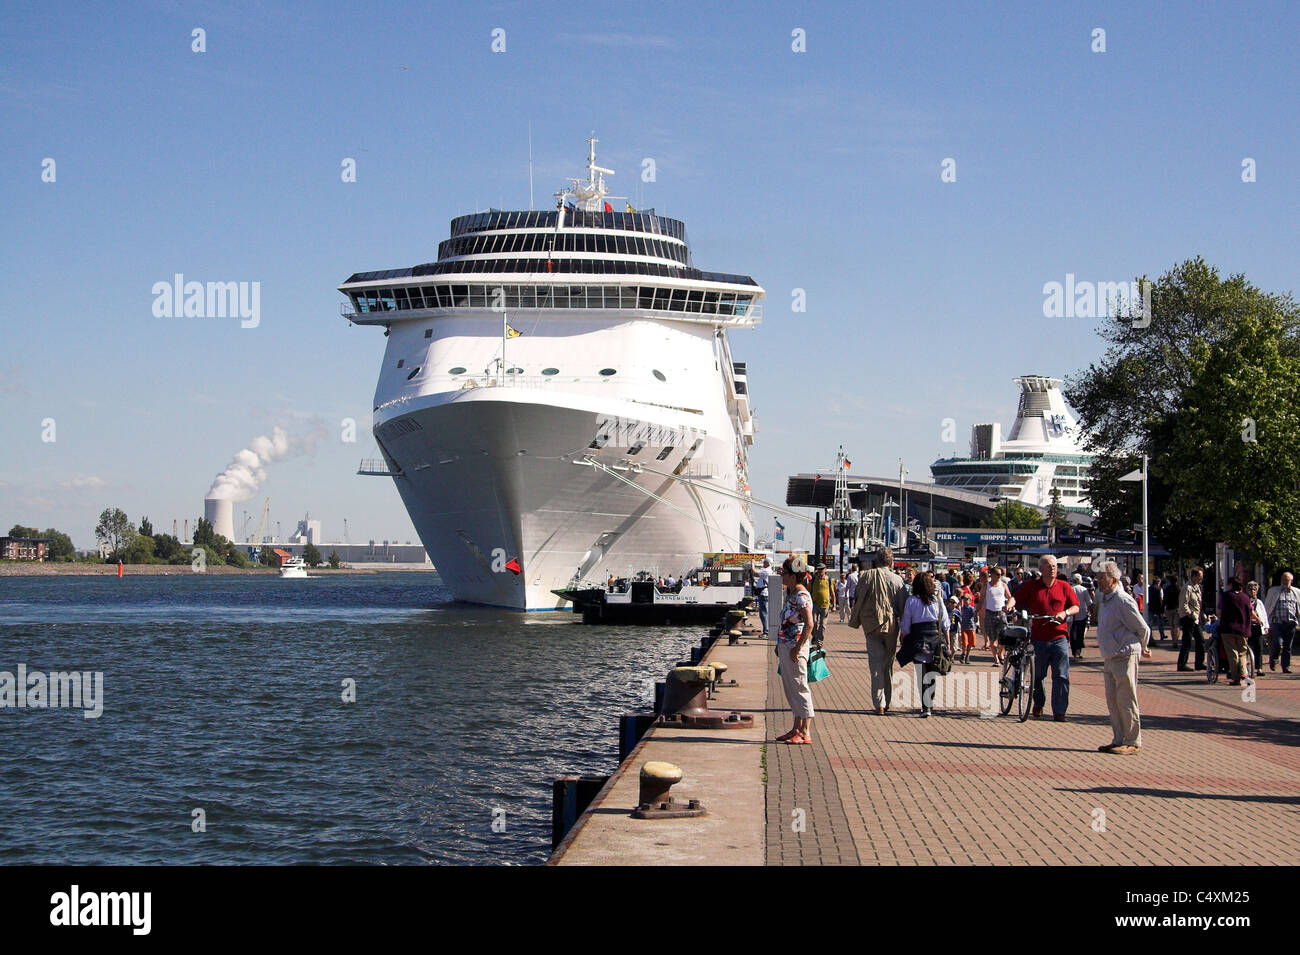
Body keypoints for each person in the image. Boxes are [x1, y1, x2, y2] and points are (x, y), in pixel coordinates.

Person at [1093, 560, 1152, 754]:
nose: (1099, 581)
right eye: (1098, 577)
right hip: (1110, 656)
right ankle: (1119, 738)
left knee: (1126, 699)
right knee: (1113, 700)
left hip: (1125, 655)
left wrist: (1143, 648)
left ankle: (1132, 741)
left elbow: (1142, 628)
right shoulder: (1104, 598)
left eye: (1103, 577)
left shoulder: (1123, 600)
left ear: (1114, 579)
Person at [1012, 555, 1079, 721]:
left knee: (1061, 675)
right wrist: (1009, 604)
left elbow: (1075, 606)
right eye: (1049, 566)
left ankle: (1060, 711)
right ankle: (1038, 703)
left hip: (1059, 638)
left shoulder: (1064, 586)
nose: (1053, 569)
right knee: (1038, 675)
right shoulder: (1032, 587)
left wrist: (1065, 613)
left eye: (1055, 566)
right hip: (1038, 638)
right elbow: (1016, 597)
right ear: (1041, 569)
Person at [848, 546, 907, 715]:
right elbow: (903, 608)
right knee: (887, 664)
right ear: (891, 562)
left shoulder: (865, 577)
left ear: (876, 560)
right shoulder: (897, 580)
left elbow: (858, 599)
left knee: (875, 664)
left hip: (870, 625)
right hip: (891, 626)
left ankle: (878, 703)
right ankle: (886, 700)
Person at [897, 571, 950, 717]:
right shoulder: (938, 600)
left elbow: (906, 624)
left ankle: (925, 706)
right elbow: (945, 624)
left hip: (918, 639)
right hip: (935, 639)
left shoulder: (912, 601)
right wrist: (949, 644)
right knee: (932, 672)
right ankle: (929, 704)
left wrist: (902, 638)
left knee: (921, 673)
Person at [775, 556, 815, 744]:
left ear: (792, 576)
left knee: (799, 687)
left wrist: (797, 648)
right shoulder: (791, 594)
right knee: (791, 689)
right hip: (787, 645)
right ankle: (796, 727)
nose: (781, 575)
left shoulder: (801, 595)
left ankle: (805, 731)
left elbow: (809, 623)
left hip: (794, 648)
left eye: (784, 572)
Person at [1217, 577, 1253, 686]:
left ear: (1231, 585)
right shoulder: (1246, 598)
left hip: (1228, 629)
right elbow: (1251, 612)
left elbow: (1219, 612)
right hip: (1243, 630)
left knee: (1232, 653)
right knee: (1242, 653)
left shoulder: (1225, 596)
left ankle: (1236, 678)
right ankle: (1244, 674)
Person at [1264, 571, 1299, 673]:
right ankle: (1274, 659)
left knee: (1288, 646)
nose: (1285, 581)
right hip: (1277, 622)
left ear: (1291, 581)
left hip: (1291, 623)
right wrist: (1266, 622)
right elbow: (1267, 606)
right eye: (1283, 579)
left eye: (1287, 580)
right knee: (1278, 643)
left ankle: (1286, 666)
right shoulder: (1273, 591)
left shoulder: (1296, 592)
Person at [981, 566, 1014, 666]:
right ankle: (996, 659)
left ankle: (1000, 653)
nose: (1000, 576)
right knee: (992, 638)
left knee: (1004, 636)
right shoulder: (986, 586)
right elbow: (982, 599)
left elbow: (1010, 597)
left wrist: (1010, 606)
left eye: (1001, 574)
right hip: (990, 613)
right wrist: (977, 612)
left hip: (1001, 613)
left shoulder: (1003, 585)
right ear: (992, 575)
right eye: (998, 575)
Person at [1177, 568, 1206, 671]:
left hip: (1196, 618)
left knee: (1201, 641)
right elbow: (1183, 605)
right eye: (1199, 576)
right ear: (1194, 576)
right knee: (1187, 642)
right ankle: (1181, 664)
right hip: (1188, 618)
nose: (1201, 578)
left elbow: (1198, 603)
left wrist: (1201, 614)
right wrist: (1190, 614)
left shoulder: (1197, 587)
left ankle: (1199, 663)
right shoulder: (1187, 588)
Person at [1246, 581, 1268, 678]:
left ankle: (1259, 668)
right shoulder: (1245, 600)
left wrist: (1266, 626)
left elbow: (1264, 615)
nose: (1252, 591)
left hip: (1258, 627)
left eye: (1254, 590)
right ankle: (1245, 667)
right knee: (1246, 647)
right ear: (1247, 590)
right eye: (1250, 589)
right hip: (1247, 627)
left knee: (1259, 647)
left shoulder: (1259, 602)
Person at [809, 563, 834, 649]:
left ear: (825, 570)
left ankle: (820, 641)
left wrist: (833, 604)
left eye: (822, 569)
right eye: (819, 569)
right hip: (815, 604)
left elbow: (832, 592)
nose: (820, 571)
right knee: (813, 622)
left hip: (825, 605)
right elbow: (809, 591)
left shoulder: (829, 580)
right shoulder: (813, 580)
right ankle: (815, 637)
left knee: (822, 625)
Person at [1070, 572, 1093, 659]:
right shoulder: (1083, 590)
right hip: (1082, 614)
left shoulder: (1070, 589)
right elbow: (1089, 603)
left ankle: (1074, 650)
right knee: (1080, 634)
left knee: (1072, 634)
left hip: (1071, 615)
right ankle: (1078, 652)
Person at [752, 558, 772, 633]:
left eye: (764, 562)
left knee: (763, 612)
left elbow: (755, 573)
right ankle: (766, 629)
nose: (763, 563)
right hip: (764, 593)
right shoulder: (767, 570)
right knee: (764, 612)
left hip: (763, 593)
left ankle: (766, 631)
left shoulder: (766, 570)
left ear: (767, 563)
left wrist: (752, 564)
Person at [958, 592, 978, 664]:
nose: (965, 601)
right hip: (964, 627)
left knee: (970, 643)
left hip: (971, 627)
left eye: (966, 599)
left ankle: (967, 655)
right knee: (964, 642)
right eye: (964, 599)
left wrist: (976, 618)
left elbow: (975, 618)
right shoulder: (962, 609)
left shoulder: (972, 609)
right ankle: (963, 653)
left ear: (970, 600)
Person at [1162, 575, 1181, 644]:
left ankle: (1173, 640)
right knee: (1176, 625)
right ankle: (1176, 640)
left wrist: (1162, 609)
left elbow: (1164, 599)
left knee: (1171, 625)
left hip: (1169, 608)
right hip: (1177, 608)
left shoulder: (1167, 589)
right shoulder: (1179, 588)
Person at [1147, 573, 1166, 641]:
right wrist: (1162, 608)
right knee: (1160, 622)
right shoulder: (1160, 589)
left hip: (1151, 606)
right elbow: (1161, 599)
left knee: (1150, 622)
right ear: (1158, 582)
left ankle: (1150, 636)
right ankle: (1162, 635)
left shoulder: (1149, 588)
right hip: (1158, 607)